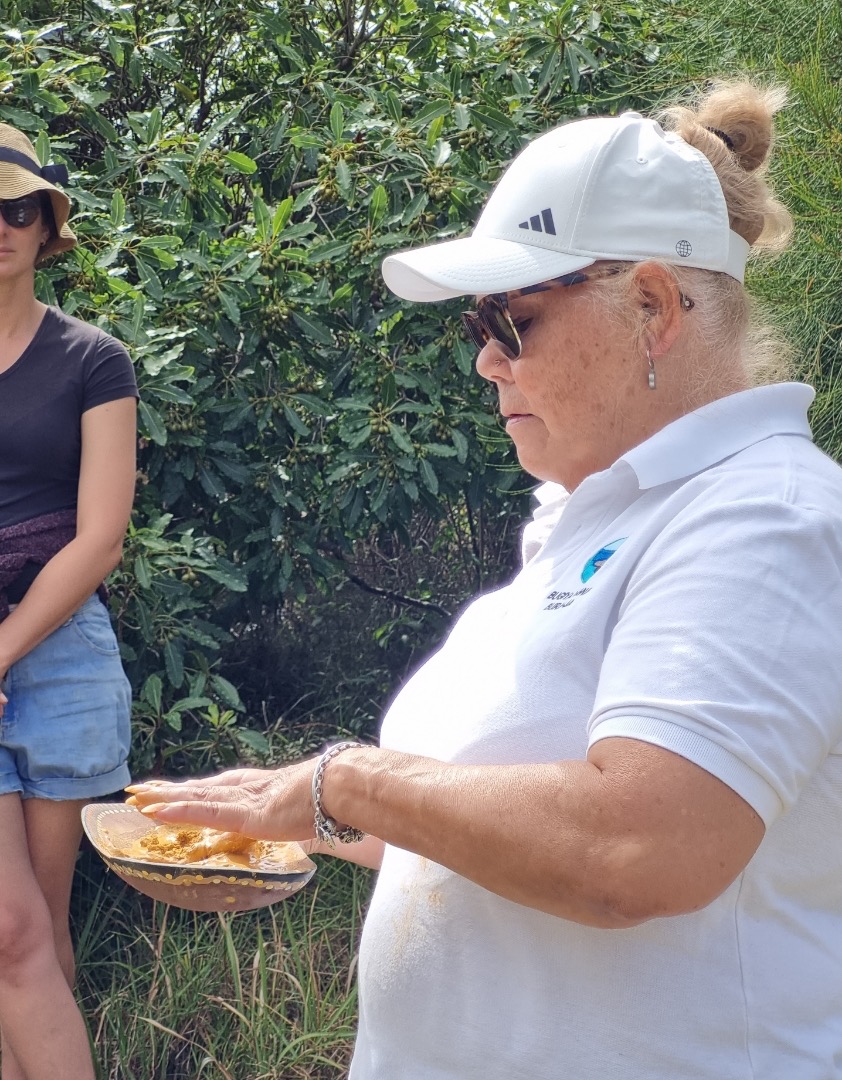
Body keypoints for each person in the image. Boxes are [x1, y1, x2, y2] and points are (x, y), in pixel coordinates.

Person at [128, 81, 842, 1078]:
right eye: (477, 330)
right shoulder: (589, 518)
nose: (485, 366)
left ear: (651, 305)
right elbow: (500, 828)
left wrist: (355, 782)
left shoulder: (763, 516)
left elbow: (636, 849)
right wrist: (302, 813)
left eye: (510, 323)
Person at [0, 125, 137, 1080]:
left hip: (58, 650)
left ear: (50, 228)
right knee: (10, 934)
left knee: (41, 933)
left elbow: (100, 536)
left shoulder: (94, 359)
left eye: (18, 209)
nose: (0, 226)